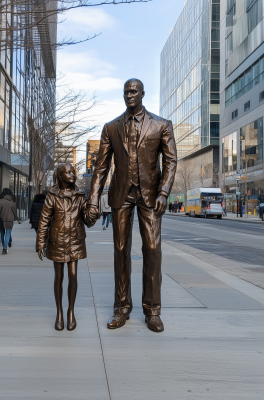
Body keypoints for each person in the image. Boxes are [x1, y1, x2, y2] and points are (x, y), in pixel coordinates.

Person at [85, 78, 177, 333]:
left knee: (152, 249)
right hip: (121, 194)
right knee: (120, 250)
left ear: (143, 94)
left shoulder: (161, 125)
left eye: (134, 91)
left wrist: (164, 193)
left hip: (150, 195)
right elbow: (101, 167)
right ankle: (122, 307)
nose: (129, 95)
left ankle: (153, 310)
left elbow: (171, 162)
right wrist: (93, 200)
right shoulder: (111, 128)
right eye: (126, 92)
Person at [36, 163, 92, 331]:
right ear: (60, 177)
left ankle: (71, 312)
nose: (72, 174)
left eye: (73, 172)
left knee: (73, 276)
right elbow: (44, 220)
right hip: (57, 241)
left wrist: (93, 211)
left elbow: (88, 220)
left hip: (75, 240)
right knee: (58, 277)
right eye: (68, 172)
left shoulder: (80, 196)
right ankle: (59, 312)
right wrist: (40, 242)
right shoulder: (52, 196)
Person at [0, 188, 18, 254]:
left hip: (1, 219)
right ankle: (5, 248)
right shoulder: (13, 201)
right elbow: (14, 211)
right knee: (8, 234)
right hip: (10, 219)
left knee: (2, 234)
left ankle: (4, 247)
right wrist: (15, 218)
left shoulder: (1, 201)